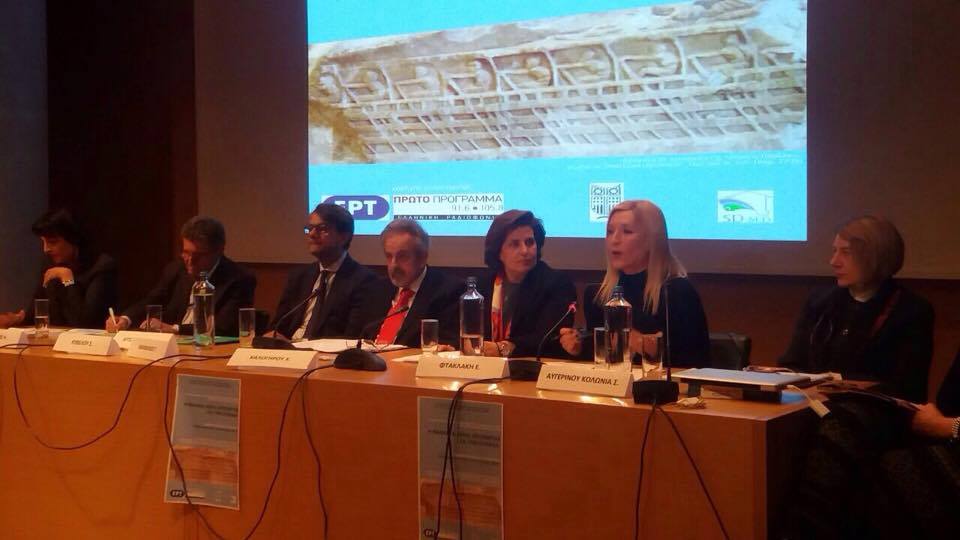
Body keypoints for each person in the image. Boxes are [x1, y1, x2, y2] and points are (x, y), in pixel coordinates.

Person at [781, 348, 960, 539]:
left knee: (868, 481)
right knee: (843, 424)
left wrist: (945, 425)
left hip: (948, 437)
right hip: (944, 433)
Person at [778, 216, 933, 402]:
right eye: (834, 251)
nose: (834, 261)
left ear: (876, 257)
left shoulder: (911, 311)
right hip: (809, 405)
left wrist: (836, 381)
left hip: (871, 411)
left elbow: (906, 388)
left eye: (846, 252)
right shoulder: (820, 302)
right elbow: (791, 363)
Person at [559, 200, 710, 367]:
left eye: (627, 232)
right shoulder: (600, 296)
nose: (614, 240)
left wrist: (644, 344)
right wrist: (579, 348)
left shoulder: (675, 292)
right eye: (610, 232)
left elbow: (696, 362)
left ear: (652, 240)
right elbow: (605, 360)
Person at [107, 216, 256, 337]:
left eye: (198, 255)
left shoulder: (240, 279)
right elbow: (153, 300)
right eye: (186, 252)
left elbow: (224, 327)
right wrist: (126, 319)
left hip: (210, 349)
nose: (190, 260)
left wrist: (175, 329)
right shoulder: (176, 269)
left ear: (219, 251)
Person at [476, 210, 575, 358]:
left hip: (529, 367)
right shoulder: (482, 285)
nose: (524, 251)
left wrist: (505, 348)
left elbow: (548, 338)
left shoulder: (556, 284)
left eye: (530, 242)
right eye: (515, 244)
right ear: (498, 252)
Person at [269, 203, 377, 340]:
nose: (312, 234)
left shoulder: (364, 281)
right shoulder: (299, 277)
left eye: (322, 229)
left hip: (326, 351)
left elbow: (352, 337)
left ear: (343, 237)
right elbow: (278, 326)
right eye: (310, 228)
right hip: (288, 349)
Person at [0, 209, 117, 329]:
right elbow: (38, 310)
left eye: (52, 242)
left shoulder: (102, 266)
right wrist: (17, 319)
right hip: (56, 337)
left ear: (73, 239)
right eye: (43, 242)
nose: (46, 249)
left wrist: (68, 280)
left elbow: (84, 323)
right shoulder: (50, 262)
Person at [360, 219, 462, 347]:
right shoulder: (377, 289)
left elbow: (447, 346)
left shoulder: (448, 292)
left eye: (402, 256)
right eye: (389, 256)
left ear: (422, 258)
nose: (394, 265)